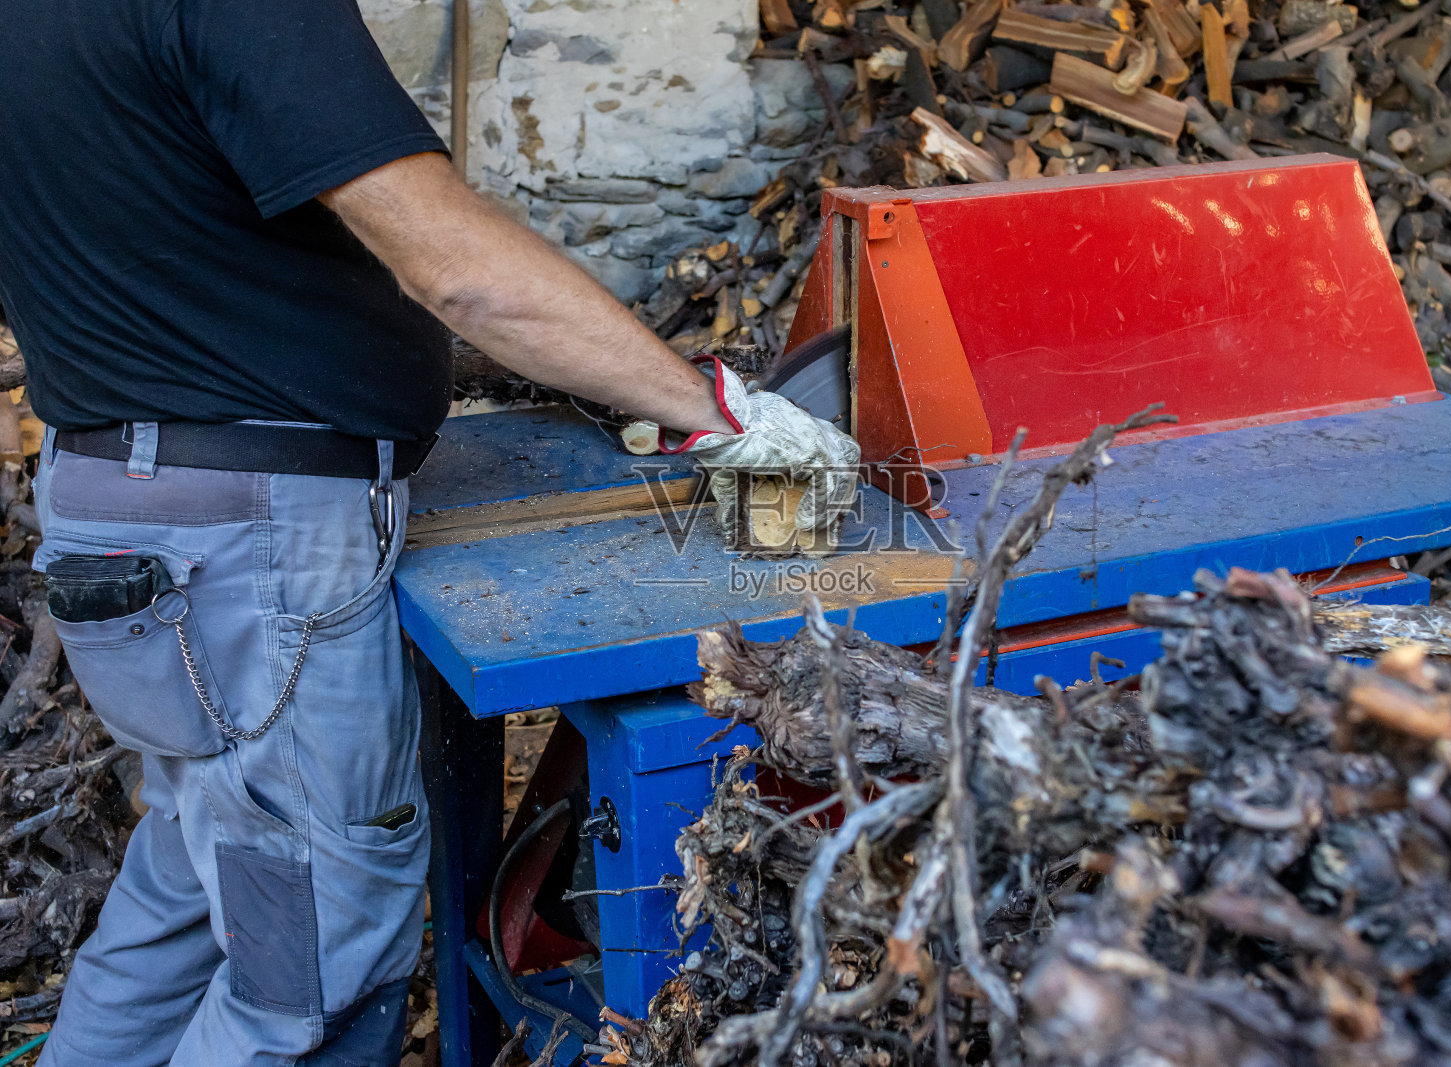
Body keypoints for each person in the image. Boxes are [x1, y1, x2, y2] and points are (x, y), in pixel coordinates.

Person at [0, 0, 859, 1063]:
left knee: (191, 880)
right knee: (310, 975)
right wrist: (719, 412)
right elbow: (459, 269)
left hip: (113, 504)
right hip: (245, 542)